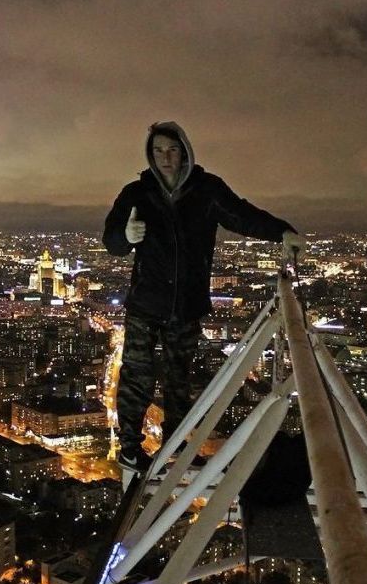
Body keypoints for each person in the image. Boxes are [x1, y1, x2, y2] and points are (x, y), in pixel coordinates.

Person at [103, 121, 304, 473]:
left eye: (172, 150)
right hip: (146, 305)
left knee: (179, 379)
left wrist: (281, 232)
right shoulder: (136, 194)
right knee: (138, 376)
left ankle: (175, 444)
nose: (165, 158)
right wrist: (126, 236)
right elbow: (111, 241)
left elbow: (241, 215)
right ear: (150, 155)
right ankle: (130, 448)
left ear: (185, 152)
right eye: (158, 151)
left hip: (185, 305)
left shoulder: (206, 190)